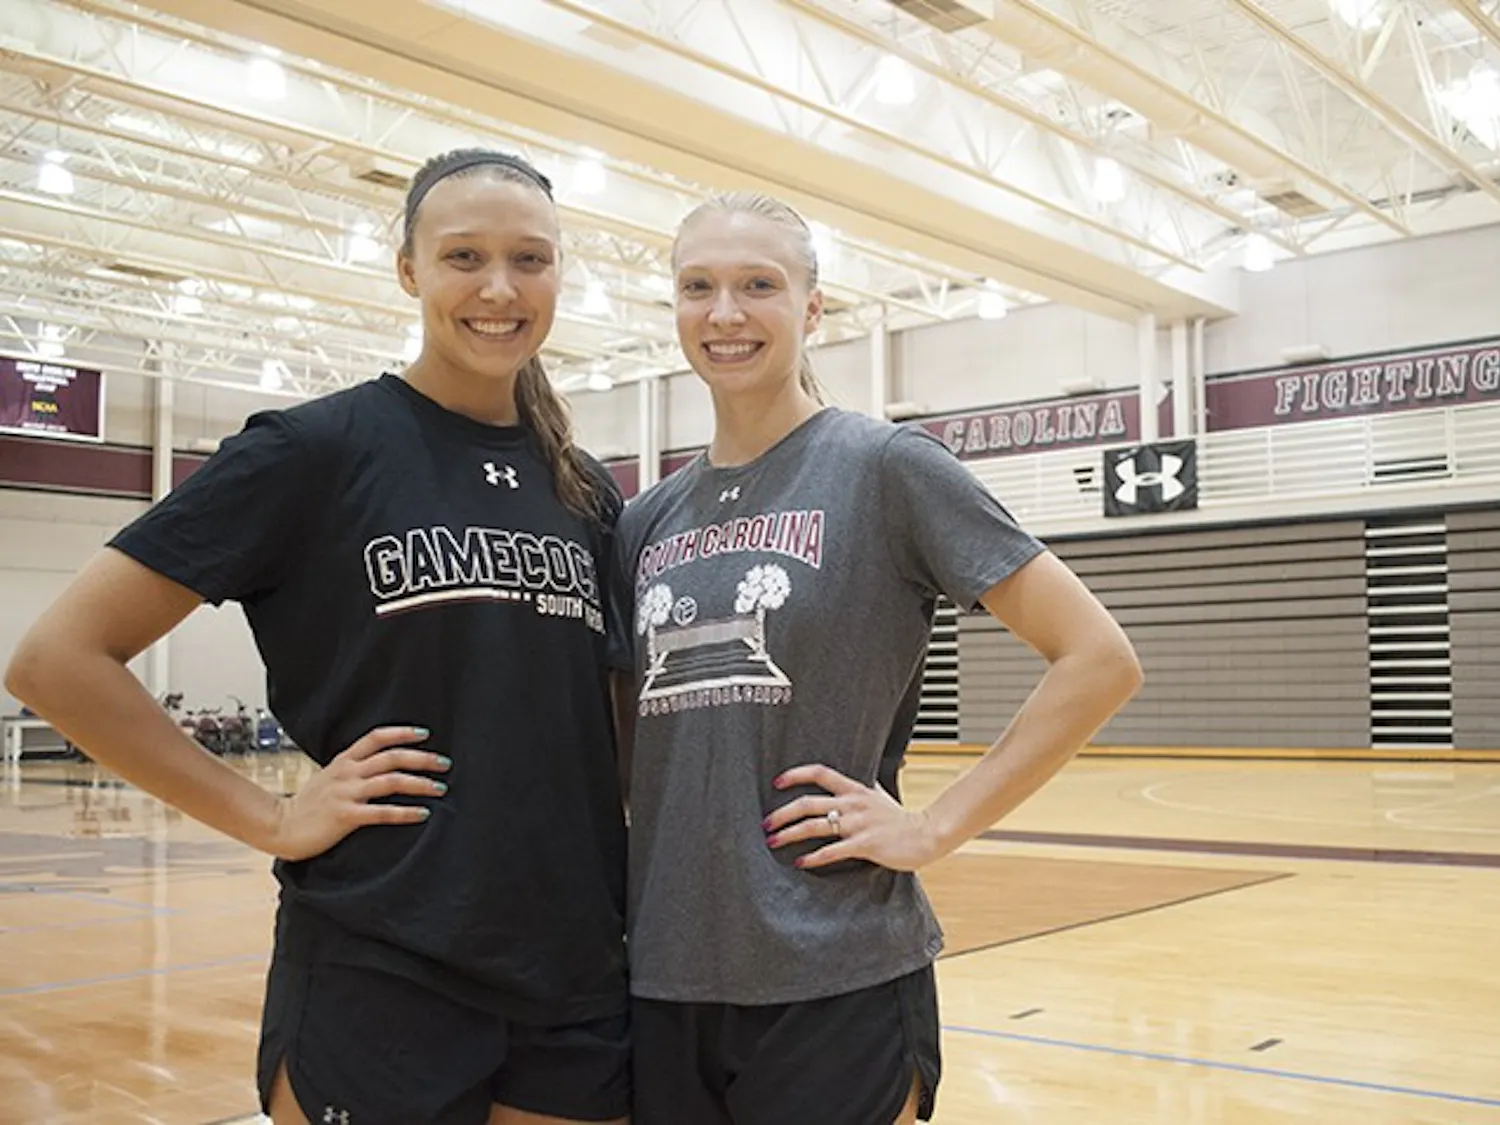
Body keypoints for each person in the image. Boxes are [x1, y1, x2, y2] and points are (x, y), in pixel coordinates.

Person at [4, 150, 631, 1125]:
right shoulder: (313, 451)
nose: (499, 288)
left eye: (530, 259)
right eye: (463, 256)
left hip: (574, 967)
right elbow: (56, 661)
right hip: (381, 958)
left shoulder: (584, 490)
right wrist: (271, 817)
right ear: (408, 270)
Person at [607, 191, 1143, 1125]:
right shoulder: (644, 519)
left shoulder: (886, 467)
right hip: (665, 977)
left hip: (837, 970)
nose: (725, 313)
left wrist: (933, 826)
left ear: (813, 309)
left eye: (758, 285)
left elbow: (1097, 658)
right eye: (699, 287)